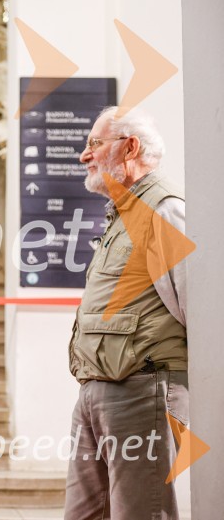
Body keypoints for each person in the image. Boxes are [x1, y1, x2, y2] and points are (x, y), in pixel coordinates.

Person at [65, 106, 188, 519]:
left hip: (142, 388)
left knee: (141, 512)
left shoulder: (163, 210)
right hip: (98, 387)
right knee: (84, 513)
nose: (85, 155)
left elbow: (198, 309)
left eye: (94, 144)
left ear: (130, 146)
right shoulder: (123, 213)